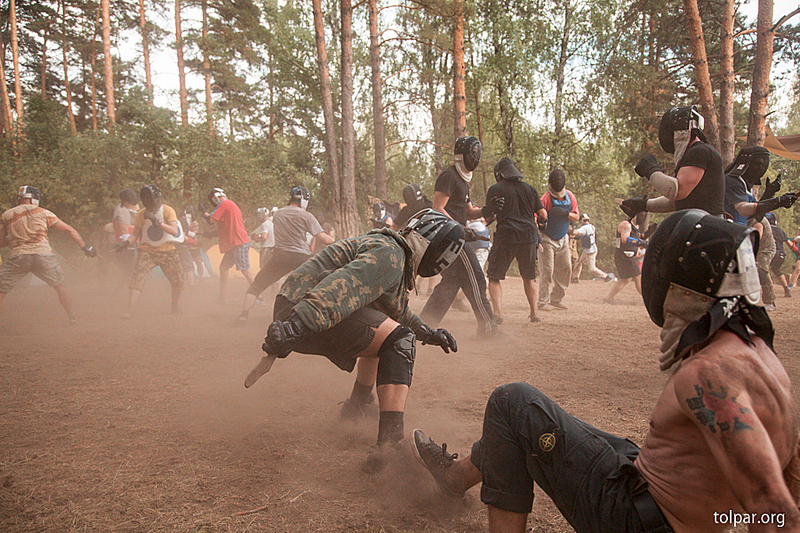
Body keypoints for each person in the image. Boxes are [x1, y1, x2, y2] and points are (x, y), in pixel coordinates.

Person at [411, 209, 800, 533]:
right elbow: (792, 476)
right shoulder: (763, 358)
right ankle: (456, 477)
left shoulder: (710, 375)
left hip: (636, 519)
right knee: (569, 432)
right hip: (652, 494)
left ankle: (453, 480)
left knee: (511, 402)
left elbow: (773, 504)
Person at [246, 208, 462, 472]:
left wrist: (427, 332)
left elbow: (396, 311)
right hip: (303, 311)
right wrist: (294, 327)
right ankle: (390, 443)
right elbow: (341, 286)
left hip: (298, 309)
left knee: (388, 329)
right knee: (399, 339)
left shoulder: (393, 252)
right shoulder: (390, 255)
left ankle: (357, 406)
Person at [419, 136, 503, 336]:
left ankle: (422, 326)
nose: (475, 158)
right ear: (462, 155)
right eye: (472, 154)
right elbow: (437, 208)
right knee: (476, 278)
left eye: (476, 154)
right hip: (451, 239)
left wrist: (487, 210)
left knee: (450, 284)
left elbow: (468, 212)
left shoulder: (463, 181)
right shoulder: (449, 176)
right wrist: (460, 229)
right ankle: (488, 329)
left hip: (455, 236)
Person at [236, 186, 334, 323]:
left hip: (280, 256)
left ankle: (243, 315)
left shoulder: (277, 214)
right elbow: (324, 239)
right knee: (321, 284)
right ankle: (323, 318)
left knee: (257, 285)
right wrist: (334, 240)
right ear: (304, 200)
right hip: (302, 257)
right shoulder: (306, 215)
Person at [0, 185, 97, 323]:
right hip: (43, 255)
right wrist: (85, 247)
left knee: (1, 290)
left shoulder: (7, 215)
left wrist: (14, 239)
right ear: (35, 198)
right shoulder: (44, 213)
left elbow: (1, 241)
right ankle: (72, 316)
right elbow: (69, 230)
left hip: (19, 255)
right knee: (60, 286)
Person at [722, 147, 797, 311]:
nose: (760, 169)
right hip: (735, 233)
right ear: (745, 163)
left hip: (747, 233)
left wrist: (771, 194)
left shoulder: (744, 186)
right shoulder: (732, 181)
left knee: (757, 269)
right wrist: (776, 201)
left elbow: (755, 212)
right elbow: (744, 210)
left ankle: (765, 301)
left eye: (763, 165)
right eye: (757, 164)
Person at [619, 105, 725, 218]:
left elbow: (678, 191)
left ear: (679, 131)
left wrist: (651, 170)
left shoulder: (699, 152)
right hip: (698, 222)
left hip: (705, 226)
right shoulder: (695, 153)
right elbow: (674, 202)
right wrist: (643, 205)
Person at [485, 157, 547, 324]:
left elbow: (489, 214)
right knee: (529, 276)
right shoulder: (530, 189)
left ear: (500, 174)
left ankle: (497, 314)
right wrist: (541, 225)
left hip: (506, 235)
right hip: (528, 236)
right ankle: (534, 314)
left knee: (494, 275)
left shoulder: (495, 189)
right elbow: (543, 214)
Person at [117, 185, 184, 318]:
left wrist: (157, 221)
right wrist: (126, 243)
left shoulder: (168, 211)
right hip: (147, 251)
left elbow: (174, 231)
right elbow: (135, 234)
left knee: (178, 282)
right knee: (137, 279)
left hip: (168, 250)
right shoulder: (142, 214)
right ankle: (129, 310)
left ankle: (174, 305)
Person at [199, 188, 254, 301]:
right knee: (223, 267)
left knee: (246, 270)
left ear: (215, 198)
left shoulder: (224, 204)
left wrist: (203, 213)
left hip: (238, 243)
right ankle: (222, 296)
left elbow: (211, 220)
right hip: (234, 243)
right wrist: (214, 233)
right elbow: (228, 226)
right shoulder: (229, 204)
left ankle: (258, 296)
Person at [538, 169, 579, 311]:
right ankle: (542, 301)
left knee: (566, 267)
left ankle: (556, 298)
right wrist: (541, 222)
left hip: (563, 238)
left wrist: (566, 214)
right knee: (547, 270)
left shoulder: (570, 196)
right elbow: (537, 216)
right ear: (549, 185)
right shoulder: (546, 198)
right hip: (547, 238)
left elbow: (576, 216)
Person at [604, 211, 646, 304]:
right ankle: (647, 299)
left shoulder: (635, 226)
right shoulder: (626, 224)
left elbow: (637, 238)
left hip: (627, 255)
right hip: (624, 255)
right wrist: (641, 242)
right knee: (638, 277)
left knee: (625, 279)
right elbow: (625, 239)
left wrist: (646, 235)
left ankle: (608, 299)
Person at [571, 213, 615, 283]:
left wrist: (573, 227)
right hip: (587, 249)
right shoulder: (591, 226)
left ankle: (606, 277)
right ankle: (575, 278)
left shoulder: (585, 227)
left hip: (590, 250)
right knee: (578, 262)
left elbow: (575, 232)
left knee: (592, 268)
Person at [766, 212, 792, 298]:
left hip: (770, 253)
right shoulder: (779, 230)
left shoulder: (765, 229)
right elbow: (790, 244)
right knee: (776, 269)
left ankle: (770, 290)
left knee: (764, 270)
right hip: (781, 254)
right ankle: (786, 289)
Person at [177, 205, 204, 285]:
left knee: (198, 262)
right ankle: (185, 282)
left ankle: (201, 278)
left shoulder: (194, 223)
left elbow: (194, 235)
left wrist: (185, 234)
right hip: (185, 245)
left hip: (193, 247)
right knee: (185, 266)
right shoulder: (182, 221)